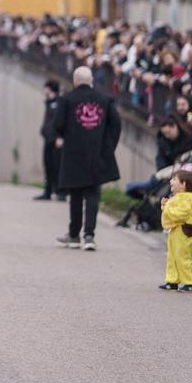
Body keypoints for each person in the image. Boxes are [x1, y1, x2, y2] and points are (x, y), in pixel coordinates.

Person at [54, 66, 121, 251]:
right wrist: (109, 147)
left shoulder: (67, 100)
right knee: (93, 195)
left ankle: (74, 235)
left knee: (75, 194)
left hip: (73, 154)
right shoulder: (105, 99)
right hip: (97, 153)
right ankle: (89, 236)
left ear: (75, 81)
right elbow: (116, 124)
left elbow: (57, 124)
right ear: (91, 80)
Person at [158, 170, 192, 292]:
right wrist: (165, 206)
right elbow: (173, 211)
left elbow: (181, 214)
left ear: (183, 184)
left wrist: (166, 208)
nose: (170, 181)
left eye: (174, 179)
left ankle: (190, 282)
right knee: (172, 256)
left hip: (183, 231)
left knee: (182, 257)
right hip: (176, 231)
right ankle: (172, 281)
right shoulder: (180, 197)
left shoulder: (187, 198)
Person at [36, 79, 61, 200]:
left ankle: (60, 192)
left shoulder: (59, 102)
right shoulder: (48, 102)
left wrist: (60, 136)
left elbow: (60, 121)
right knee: (48, 166)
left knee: (58, 166)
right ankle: (48, 191)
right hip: (48, 138)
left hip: (56, 140)